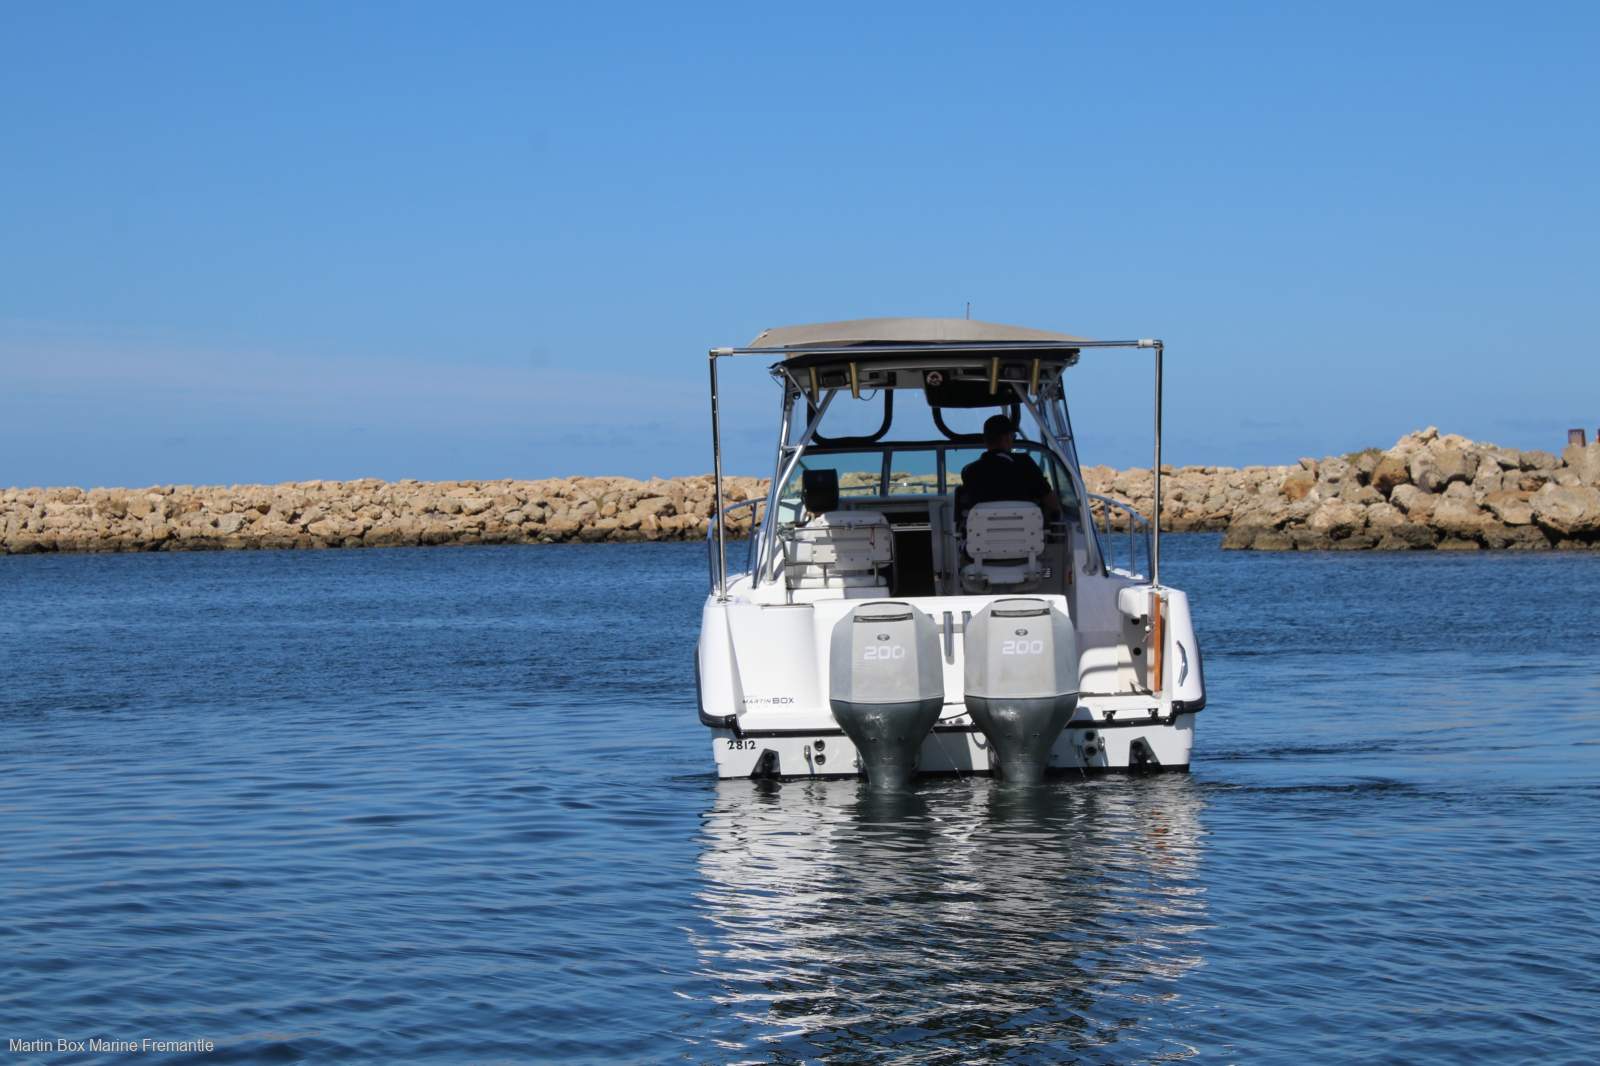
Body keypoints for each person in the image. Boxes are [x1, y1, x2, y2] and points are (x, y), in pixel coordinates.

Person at [958, 414, 1061, 520]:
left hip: (983, 535)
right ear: (1006, 438)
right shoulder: (1026, 464)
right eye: (1013, 436)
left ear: (985, 440)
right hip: (1027, 534)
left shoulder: (970, 471)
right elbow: (1051, 502)